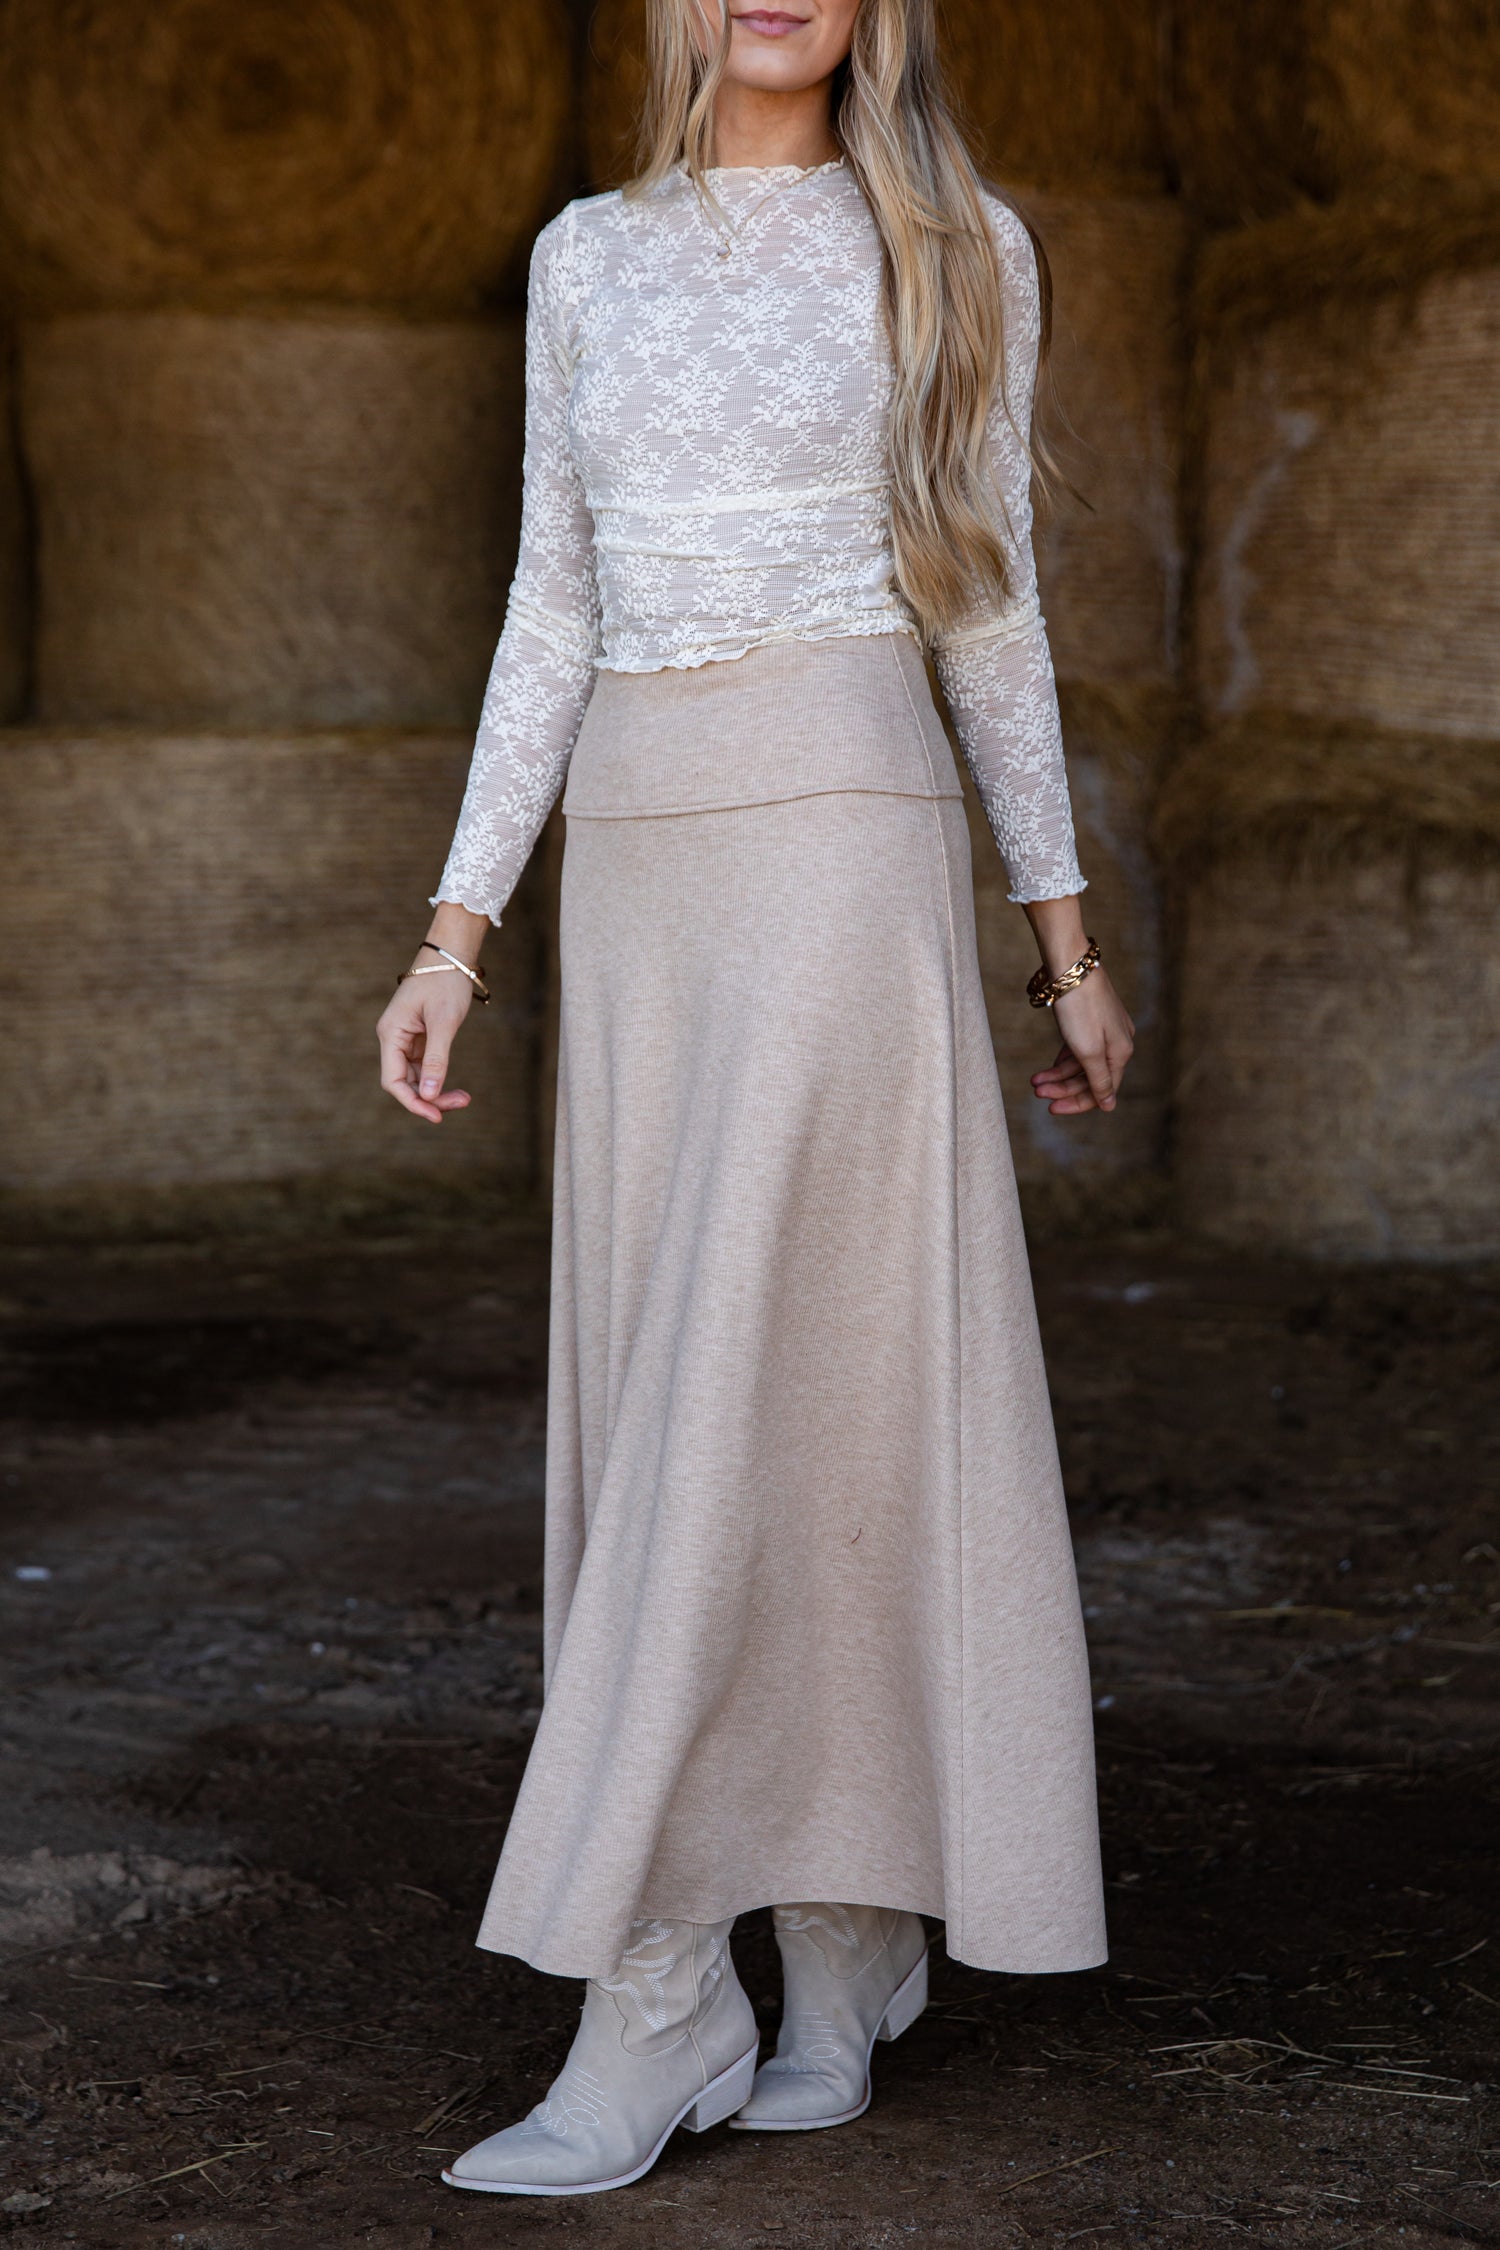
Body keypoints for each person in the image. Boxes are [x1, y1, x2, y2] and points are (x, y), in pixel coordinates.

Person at [376, 0, 1134, 2200]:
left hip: (849, 841)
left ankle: (691, 1967)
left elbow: (989, 602)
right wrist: (459, 928)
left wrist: (1059, 942)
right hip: (642, 864)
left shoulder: (958, 242)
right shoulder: (587, 256)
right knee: (679, 1389)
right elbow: (552, 594)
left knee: (821, 1386)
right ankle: (800, 1935)